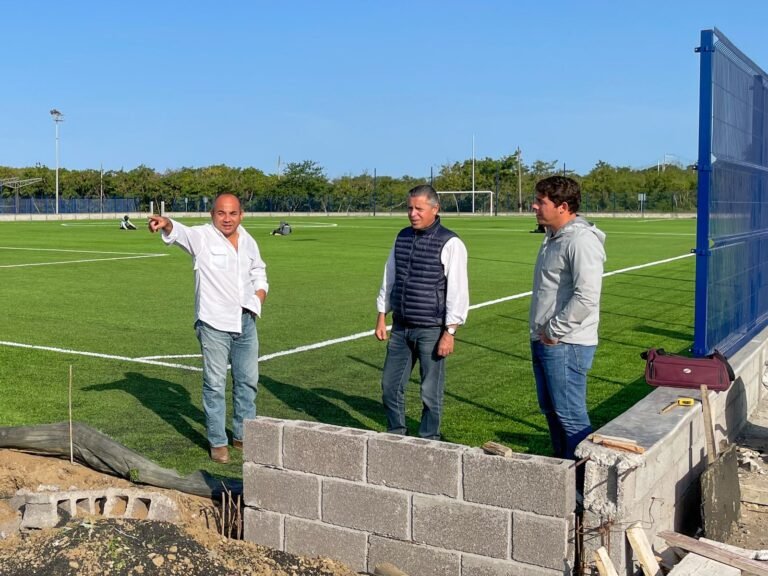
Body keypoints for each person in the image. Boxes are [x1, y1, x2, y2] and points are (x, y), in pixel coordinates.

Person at [147, 194, 268, 463]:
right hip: (214, 323)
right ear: (212, 214)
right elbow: (179, 232)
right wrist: (166, 223)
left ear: (241, 215)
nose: (227, 219)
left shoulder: (248, 240)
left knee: (247, 382)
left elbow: (259, 269)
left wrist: (259, 294)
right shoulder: (202, 237)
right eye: (221, 213)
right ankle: (217, 441)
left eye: (233, 213)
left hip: (246, 321)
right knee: (214, 384)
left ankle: (242, 436)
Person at [375, 184, 469, 440]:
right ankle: (396, 432)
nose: (413, 213)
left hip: (431, 330)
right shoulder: (402, 237)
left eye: (419, 208)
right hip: (401, 327)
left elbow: (458, 290)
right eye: (409, 208)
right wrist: (382, 314)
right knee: (389, 386)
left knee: (430, 391)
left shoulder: (451, 242)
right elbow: (389, 277)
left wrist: (450, 331)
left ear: (435, 209)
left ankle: (429, 439)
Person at [529, 176, 606, 460]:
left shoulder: (581, 240)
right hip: (545, 338)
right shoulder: (552, 237)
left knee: (571, 416)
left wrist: (553, 331)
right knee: (552, 412)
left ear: (562, 206)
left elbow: (587, 296)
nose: (534, 206)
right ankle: (563, 477)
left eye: (541, 201)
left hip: (565, 343)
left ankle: (583, 485)